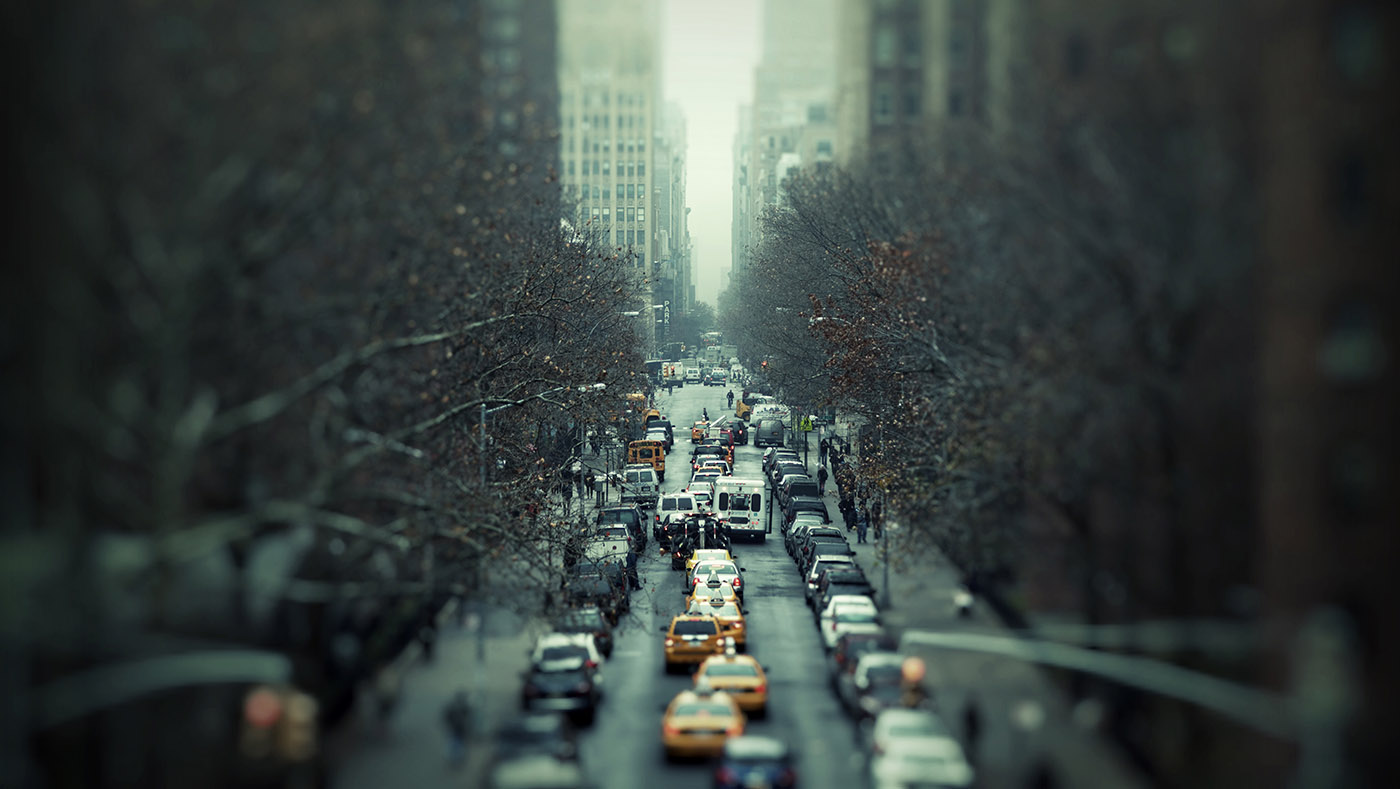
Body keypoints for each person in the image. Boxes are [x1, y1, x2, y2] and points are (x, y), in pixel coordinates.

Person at [443, 690, 471, 769]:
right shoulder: (462, 708)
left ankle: (455, 761)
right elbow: (446, 718)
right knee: (456, 746)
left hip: (458, 731)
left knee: (456, 746)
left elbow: (446, 718)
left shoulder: (464, 708)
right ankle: (455, 761)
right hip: (456, 730)